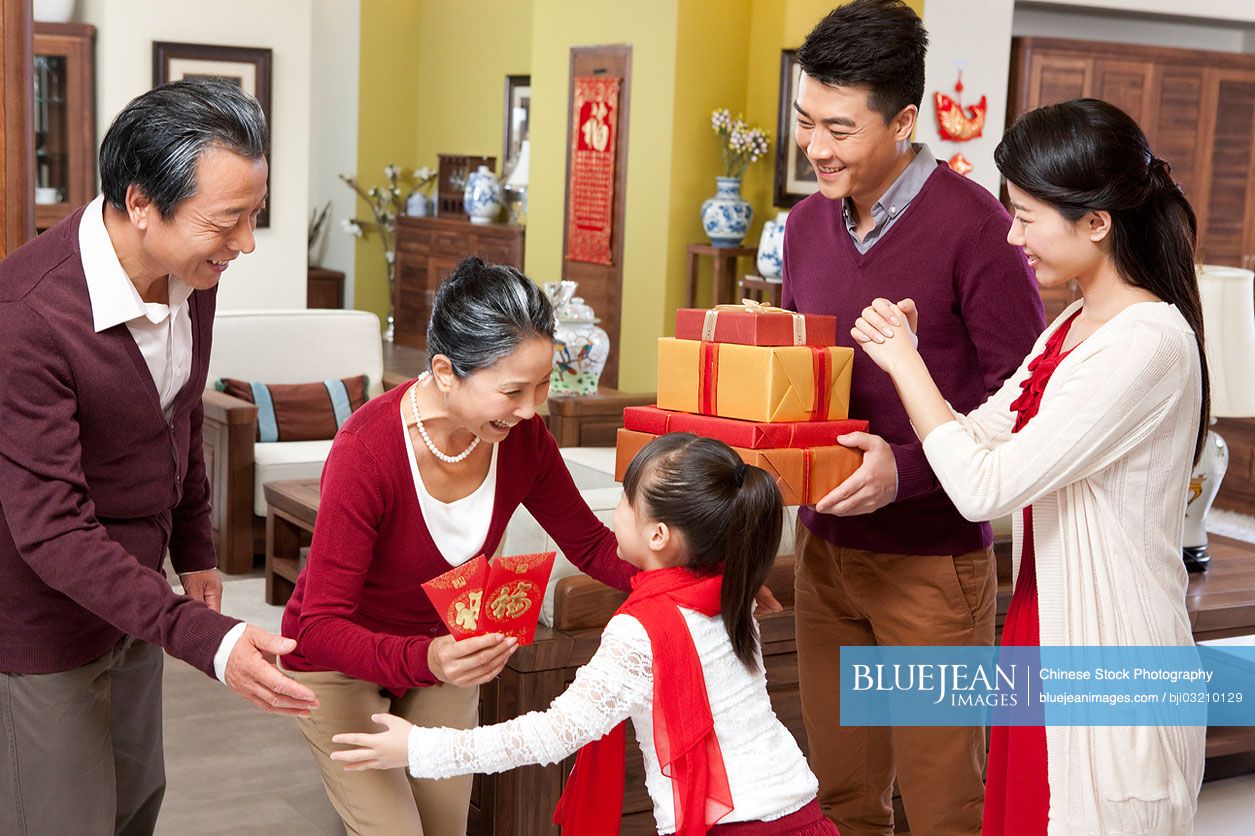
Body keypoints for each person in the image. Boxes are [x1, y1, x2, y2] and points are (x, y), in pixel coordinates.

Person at [849, 97, 1208, 835]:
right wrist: (905, 426)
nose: (1013, 236)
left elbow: (986, 487)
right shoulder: (1073, 325)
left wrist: (906, 369)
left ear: (1096, 222)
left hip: (1109, 653)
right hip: (1040, 635)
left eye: (1026, 216)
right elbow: (979, 434)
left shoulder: (1147, 344)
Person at [0, 78, 319, 836]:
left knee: (136, 802)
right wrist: (211, 639)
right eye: (228, 220)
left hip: (135, 598)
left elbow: (175, 423)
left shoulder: (191, 276)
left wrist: (194, 550)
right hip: (44, 614)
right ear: (141, 202)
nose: (245, 244)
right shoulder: (26, 318)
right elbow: (53, 533)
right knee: (63, 818)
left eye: (256, 216)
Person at [281, 256, 675, 835]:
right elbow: (319, 626)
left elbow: (591, 545)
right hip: (339, 662)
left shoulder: (524, 441)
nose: (531, 408)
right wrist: (426, 659)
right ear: (445, 372)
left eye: (542, 385)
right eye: (513, 390)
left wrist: (700, 580)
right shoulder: (365, 452)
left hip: (443, 653)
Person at [779, 2, 1045, 833]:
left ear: (902, 121)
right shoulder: (802, 226)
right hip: (823, 555)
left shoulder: (979, 231)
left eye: (839, 128)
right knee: (843, 798)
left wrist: (906, 467)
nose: (815, 147)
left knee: (941, 806)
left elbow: (1022, 404)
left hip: (931, 568)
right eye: (803, 121)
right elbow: (800, 382)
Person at [328, 433, 838, 836]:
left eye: (624, 499)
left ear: (657, 535)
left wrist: (418, 748)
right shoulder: (733, 596)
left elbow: (551, 734)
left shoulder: (640, 632)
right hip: (802, 812)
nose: (614, 513)